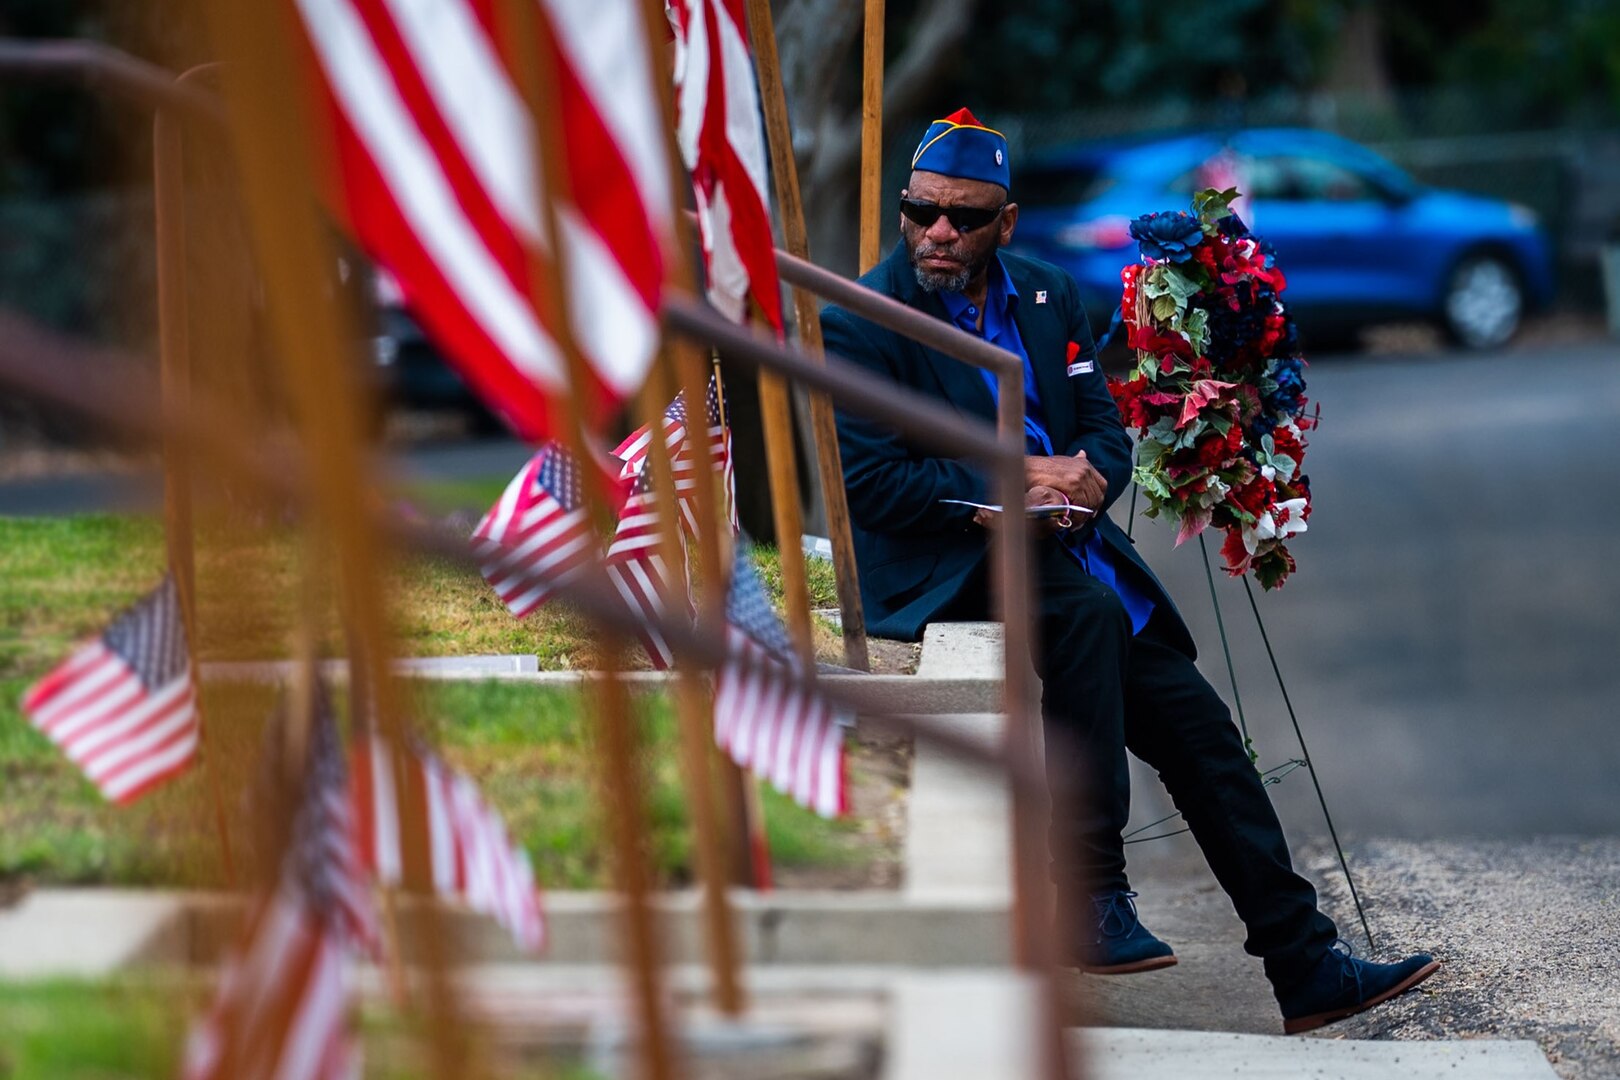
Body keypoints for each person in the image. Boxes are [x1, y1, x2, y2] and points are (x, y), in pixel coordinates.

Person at [821, 107, 1437, 1034]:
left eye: (965, 216)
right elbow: (876, 485)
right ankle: (1091, 892)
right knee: (1083, 619)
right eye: (921, 210)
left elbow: (1100, 430)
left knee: (1206, 737)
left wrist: (1083, 485)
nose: (939, 231)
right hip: (949, 559)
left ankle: (1306, 968)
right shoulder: (862, 322)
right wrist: (1020, 479)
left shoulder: (1046, 295)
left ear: (1006, 223)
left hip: (1069, 551)